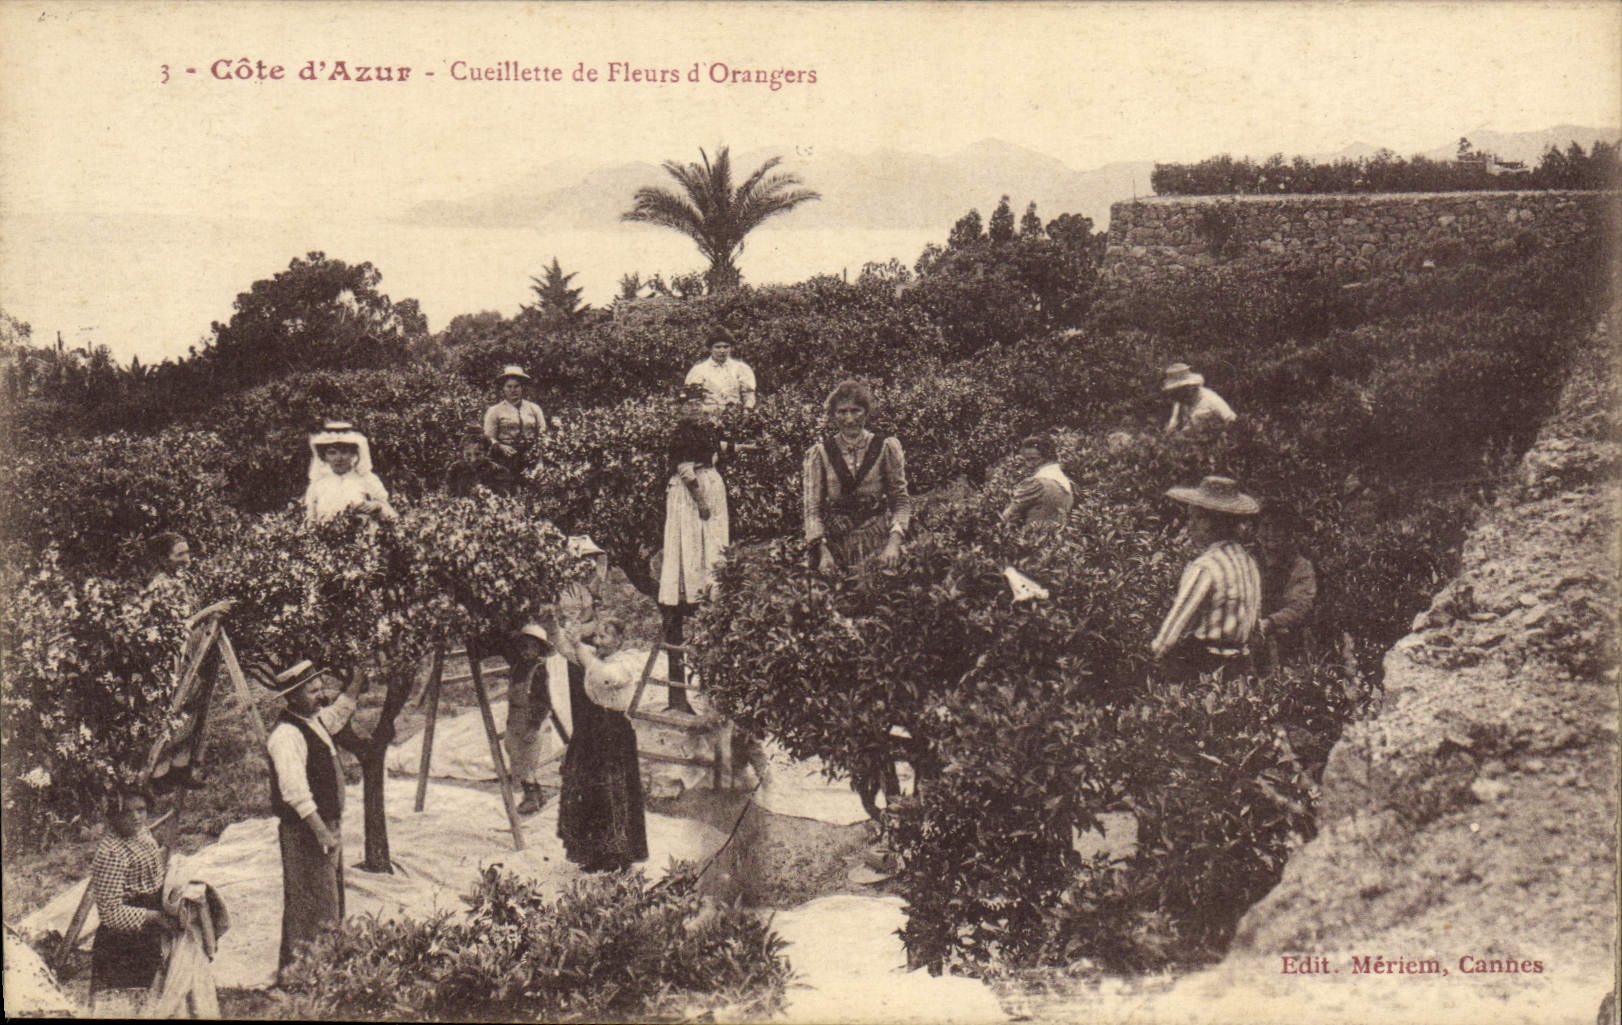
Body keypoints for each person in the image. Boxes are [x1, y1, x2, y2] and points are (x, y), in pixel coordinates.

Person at [253, 658, 363, 980]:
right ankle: (305, 975)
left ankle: (319, 970)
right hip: (305, 832)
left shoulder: (313, 721)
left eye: (322, 687)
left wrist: (356, 681)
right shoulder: (286, 736)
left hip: (324, 827)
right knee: (312, 902)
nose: (322, 695)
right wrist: (322, 835)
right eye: (312, 691)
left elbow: (337, 713)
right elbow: (295, 793)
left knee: (326, 899)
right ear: (291, 697)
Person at [659, 383, 748, 713]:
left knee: (712, 545)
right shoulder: (682, 433)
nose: (695, 410)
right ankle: (694, 587)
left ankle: (710, 584)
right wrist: (701, 501)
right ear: (682, 408)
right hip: (691, 493)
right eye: (690, 405)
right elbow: (685, 469)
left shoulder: (707, 429)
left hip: (710, 483)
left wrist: (748, 447)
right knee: (693, 543)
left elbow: (719, 448)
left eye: (700, 404)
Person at [554, 616, 648, 874]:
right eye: (596, 636)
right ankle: (593, 853)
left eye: (604, 636)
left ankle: (618, 855)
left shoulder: (626, 662)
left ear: (619, 640)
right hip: (593, 728)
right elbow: (565, 649)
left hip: (614, 731)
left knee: (612, 791)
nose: (598, 641)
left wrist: (581, 649)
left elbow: (605, 678)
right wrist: (552, 623)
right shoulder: (597, 656)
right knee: (589, 789)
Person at [1150, 476, 1262, 680]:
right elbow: (1254, 624)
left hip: (1207, 666)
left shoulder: (1207, 567)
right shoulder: (1248, 562)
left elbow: (1177, 624)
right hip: (1241, 665)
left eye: (1196, 518)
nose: (1189, 525)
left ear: (1215, 522)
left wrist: (1152, 657)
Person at [803, 379, 911, 572]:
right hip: (837, 540)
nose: (850, 419)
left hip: (879, 536)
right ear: (833, 416)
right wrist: (822, 551)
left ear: (866, 412)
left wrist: (894, 543)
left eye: (855, 410)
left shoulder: (884, 447)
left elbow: (900, 501)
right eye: (842, 412)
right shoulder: (821, 453)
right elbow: (813, 509)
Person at [89, 788, 170, 1015]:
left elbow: (156, 876)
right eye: (128, 812)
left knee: (152, 1000)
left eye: (141, 810)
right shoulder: (111, 852)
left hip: (148, 931)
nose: (136, 817)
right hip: (122, 943)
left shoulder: (143, 836)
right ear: (114, 815)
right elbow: (110, 913)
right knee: (124, 1006)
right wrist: (155, 917)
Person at [1255, 503, 1319, 667]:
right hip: (1250, 644)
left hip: (1286, 646)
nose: (1270, 533)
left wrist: (1269, 622)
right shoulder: (1249, 560)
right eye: (1265, 526)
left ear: (1288, 532)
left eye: (1277, 528)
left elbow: (1299, 606)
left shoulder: (1301, 567)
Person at [504, 623, 555, 816]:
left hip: (531, 718)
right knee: (511, 748)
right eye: (523, 647)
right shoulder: (517, 667)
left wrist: (534, 727)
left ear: (539, 650)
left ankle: (532, 796)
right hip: (515, 717)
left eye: (532, 647)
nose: (526, 651)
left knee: (527, 759)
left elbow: (543, 702)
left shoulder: (539, 670)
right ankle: (535, 792)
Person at [303, 421, 398, 525]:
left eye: (344, 452)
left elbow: (392, 518)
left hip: (361, 538)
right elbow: (309, 520)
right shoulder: (318, 484)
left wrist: (377, 507)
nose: (338, 458)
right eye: (332, 453)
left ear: (353, 454)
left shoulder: (367, 479)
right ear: (324, 456)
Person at [482, 365, 548, 476]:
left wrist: (540, 460)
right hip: (505, 459)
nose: (513, 390)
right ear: (503, 388)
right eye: (509, 387)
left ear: (522, 388)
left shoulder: (534, 408)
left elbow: (542, 434)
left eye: (517, 386)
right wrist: (500, 447)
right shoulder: (495, 411)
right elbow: (488, 438)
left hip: (530, 457)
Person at [1000, 434, 1074, 531]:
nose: (1029, 465)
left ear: (1047, 458)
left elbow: (1007, 516)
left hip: (1032, 540)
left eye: (1034, 459)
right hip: (1057, 541)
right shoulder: (1065, 483)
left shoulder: (1036, 483)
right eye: (1026, 460)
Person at [683, 327, 756, 412]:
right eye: (718, 347)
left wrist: (746, 410)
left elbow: (748, 394)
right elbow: (692, 398)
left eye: (726, 347)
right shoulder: (698, 370)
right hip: (707, 417)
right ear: (710, 349)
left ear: (731, 348)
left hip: (735, 416)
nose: (722, 351)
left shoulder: (741, 368)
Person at [1161, 363, 1236, 434]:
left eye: (1178, 391)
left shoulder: (1211, 399)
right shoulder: (1180, 403)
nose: (1175, 395)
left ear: (1190, 387)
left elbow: (1231, 420)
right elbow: (1172, 427)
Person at [445, 425, 515, 498]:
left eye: (478, 454)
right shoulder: (455, 470)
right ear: (462, 452)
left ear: (486, 453)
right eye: (468, 454)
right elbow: (450, 494)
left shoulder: (497, 471)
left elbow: (503, 496)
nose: (473, 459)